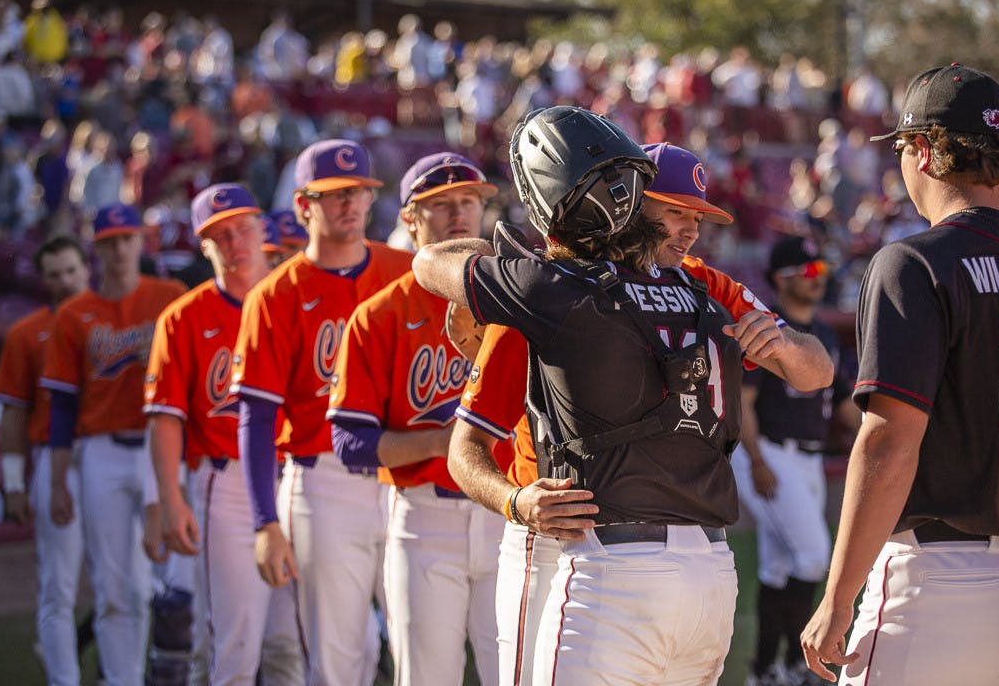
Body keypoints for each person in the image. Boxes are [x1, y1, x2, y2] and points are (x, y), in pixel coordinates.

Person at [414, 106, 834, 685]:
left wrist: (785, 346)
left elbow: (816, 372)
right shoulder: (548, 293)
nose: (691, 230)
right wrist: (515, 502)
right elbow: (467, 449)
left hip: (648, 555)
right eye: (673, 212)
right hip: (555, 531)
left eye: (698, 217)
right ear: (627, 204)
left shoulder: (696, 284)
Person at [801, 64, 999, 686]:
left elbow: (889, 441)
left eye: (901, 147)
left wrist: (839, 599)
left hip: (941, 584)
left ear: (923, 150)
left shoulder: (912, 262)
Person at [231, 139, 413, 685]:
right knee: (337, 660)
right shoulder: (273, 296)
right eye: (334, 195)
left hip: (406, 478)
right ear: (303, 206)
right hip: (323, 481)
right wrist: (265, 520)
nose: (349, 204)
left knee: (419, 650)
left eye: (358, 191)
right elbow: (256, 418)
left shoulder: (404, 271)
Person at [327, 152, 504, 686]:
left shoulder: (517, 302)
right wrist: (439, 445)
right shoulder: (379, 315)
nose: (458, 214)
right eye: (440, 205)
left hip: (506, 514)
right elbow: (349, 442)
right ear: (409, 220)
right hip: (425, 521)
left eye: (468, 201)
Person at [143, 183, 303, 686]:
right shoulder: (183, 318)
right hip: (226, 481)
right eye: (220, 236)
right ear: (204, 246)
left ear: (262, 230)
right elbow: (166, 416)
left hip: (300, 477)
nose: (235, 243)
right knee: (233, 646)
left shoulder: (297, 301)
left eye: (241, 229)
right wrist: (169, 498)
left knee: (292, 644)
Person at [41, 203, 186, 686]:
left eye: (127, 238)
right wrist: (58, 479)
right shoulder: (75, 315)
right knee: (114, 589)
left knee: (173, 583)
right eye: (111, 241)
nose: (120, 248)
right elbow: (62, 407)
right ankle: (122, 678)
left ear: (139, 242)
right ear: (97, 248)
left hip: (161, 448)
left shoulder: (170, 297)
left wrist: (160, 364)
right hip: (100, 451)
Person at [731, 235, 861, 686]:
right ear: (779, 279)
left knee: (779, 566)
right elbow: (743, 402)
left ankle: (766, 669)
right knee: (812, 557)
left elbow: (845, 404)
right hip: (768, 451)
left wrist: (881, 436)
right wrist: (756, 461)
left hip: (807, 458)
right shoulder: (764, 325)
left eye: (820, 271)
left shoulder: (823, 335)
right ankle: (794, 665)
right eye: (806, 273)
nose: (816, 279)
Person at [0, 235, 91, 686]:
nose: (64, 281)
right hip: (56, 462)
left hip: (113, 454)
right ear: (42, 280)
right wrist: (14, 484)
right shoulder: (27, 332)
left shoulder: (118, 319)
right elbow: (14, 413)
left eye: (71, 271)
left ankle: (121, 672)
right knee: (59, 586)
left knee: (136, 586)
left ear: (85, 269)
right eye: (54, 275)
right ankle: (63, 680)